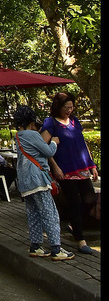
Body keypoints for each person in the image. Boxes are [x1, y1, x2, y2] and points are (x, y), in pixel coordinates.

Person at [41, 92, 99, 255]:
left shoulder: (74, 121)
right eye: (66, 107)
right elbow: (44, 148)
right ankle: (81, 241)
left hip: (81, 167)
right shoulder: (50, 123)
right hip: (64, 170)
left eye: (71, 107)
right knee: (74, 201)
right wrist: (55, 167)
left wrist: (91, 164)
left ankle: (74, 224)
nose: (69, 110)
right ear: (58, 107)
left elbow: (82, 142)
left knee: (89, 199)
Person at [14, 104, 74, 261]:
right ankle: (56, 248)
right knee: (50, 213)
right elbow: (48, 152)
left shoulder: (18, 135)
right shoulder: (31, 135)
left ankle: (36, 247)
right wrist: (53, 142)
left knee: (33, 213)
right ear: (30, 121)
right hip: (37, 179)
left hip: (25, 182)